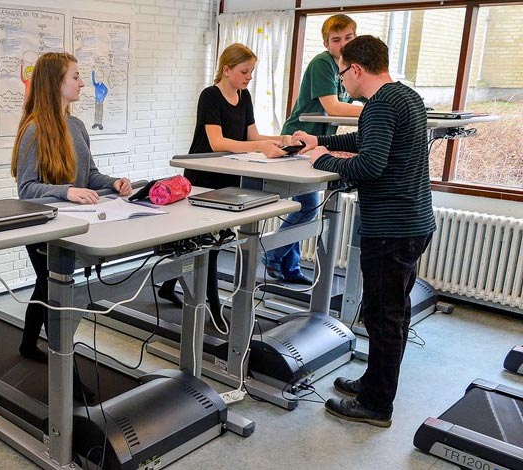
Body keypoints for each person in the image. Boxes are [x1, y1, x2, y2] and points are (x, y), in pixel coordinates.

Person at [294, 35, 435, 428]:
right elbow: (366, 141)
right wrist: (319, 141)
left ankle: (376, 405)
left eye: (342, 74)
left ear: (356, 69)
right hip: (413, 223)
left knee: (382, 316)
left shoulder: (379, 104)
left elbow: (369, 165)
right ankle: (374, 383)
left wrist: (322, 162)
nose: (342, 83)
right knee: (392, 312)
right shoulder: (404, 96)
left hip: (392, 229)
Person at [11, 52, 131, 372]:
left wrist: (114, 182)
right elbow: (26, 189)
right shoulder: (34, 129)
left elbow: (90, 175)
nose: (81, 83)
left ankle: (26, 344)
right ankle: (68, 374)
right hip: (42, 225)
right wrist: (66, 191)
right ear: (56, 83)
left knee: (44, 283)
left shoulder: (77, 125)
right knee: (52, 287)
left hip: (74, 225)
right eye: (75, 77)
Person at [158, 43, 290, 315]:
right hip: (203, 174)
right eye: (244, 71)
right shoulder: (210, 96)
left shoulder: (244, 96)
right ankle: (213, 305)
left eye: (251, 72)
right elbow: (217, 142)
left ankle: (169, 287)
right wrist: (258, 147)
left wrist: (282, 139)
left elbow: (252, 137)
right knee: (205, 240)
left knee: (214, 238)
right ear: (226, 70)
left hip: (229, 175)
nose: (249, 77)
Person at [264, 14, 363, 284]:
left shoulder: (351, 67)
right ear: (326, 43)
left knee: (306, 207)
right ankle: (272, 254)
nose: (343, 44)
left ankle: (288, 266)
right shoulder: (324, 64)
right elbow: (332, 107)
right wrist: (376, 109)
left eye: (349, 38)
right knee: (307, 207)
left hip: (319, 142)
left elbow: (368, 93)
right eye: (336, 40)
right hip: (299, 140)